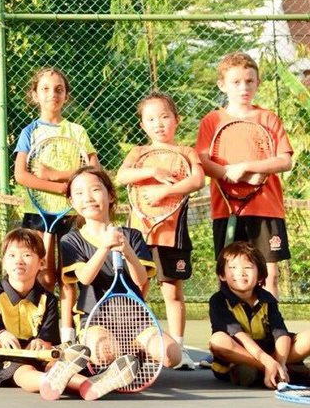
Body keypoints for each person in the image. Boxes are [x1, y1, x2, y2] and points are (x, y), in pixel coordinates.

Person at [115, 92, 205, 368]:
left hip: (172, 236)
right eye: (151, 119)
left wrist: (165, 191)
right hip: (138, 236)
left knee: (172, 293)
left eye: (165, 117)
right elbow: (121, 176)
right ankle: (133, 346)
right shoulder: (138, 153)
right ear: (143, 125)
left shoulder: (186, 153)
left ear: (177, 120)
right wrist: (152, 172)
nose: (159, 123)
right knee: (136, 291)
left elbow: (198, 180)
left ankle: (178, 349)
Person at [59, 167, 181, 370]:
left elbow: (141, 279)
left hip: (135, 318)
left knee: (172, 356)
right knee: (105, 354)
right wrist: (105, 246)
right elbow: (85, 278)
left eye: (95, 189)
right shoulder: (71, 240)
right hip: (95, 318)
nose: (88, 197)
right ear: (72, 202)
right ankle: (118, 354)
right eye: (79, 193)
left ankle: (133, 350)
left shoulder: (132, 236)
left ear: (110, 195)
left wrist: (127, 250)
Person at [195, 52, 294, 295]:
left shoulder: (268, 118)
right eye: (236, 82)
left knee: (268, 275)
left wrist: (246, 167)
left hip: (266, 208)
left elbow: (284, 161)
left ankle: (269, 319)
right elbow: (203, 161)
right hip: (226, 209)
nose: (244, 87)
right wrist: (229, 174)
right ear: (222, 85)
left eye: (250, 81)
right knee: (229, 273)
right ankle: (229, 320)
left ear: (258, 82)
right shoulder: (212, 120)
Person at [0, 228, 100, 400]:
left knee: (55, 365)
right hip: (5, 358)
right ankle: (47, 381)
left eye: (27, 255)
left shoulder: (48, 299)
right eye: (12, 255)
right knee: (24, 371)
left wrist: (41, 343)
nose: (19, 261)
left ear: (42, 263)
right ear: (3, 262)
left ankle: (92, 385)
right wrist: (2, 335)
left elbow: (48, 340)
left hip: (39, 356)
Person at [12, 67, 98, 290]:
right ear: (35, 95)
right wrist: (59, 188)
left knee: (69, 277)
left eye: (59, 89)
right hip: (38, 211)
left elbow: (94, 169)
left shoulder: (77, 131)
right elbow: (21, 175)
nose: (53, 94)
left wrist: (55, 176)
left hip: (72, 211)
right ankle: (46, 313)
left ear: (66, 96)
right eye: (46, 89)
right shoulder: (29, 132)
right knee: (43, 275)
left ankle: (70, 316)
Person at [208, 241, 310, 388]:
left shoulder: (267, 299)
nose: (241, 272)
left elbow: (281, 334)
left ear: (260, 275)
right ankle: (272, 370)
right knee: (218, 340)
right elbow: (239, 336)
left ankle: (278, 370)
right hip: (239, 358)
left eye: (248, 267)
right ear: (222, 275)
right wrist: (267, 363)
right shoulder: (218, 300)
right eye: (232, 267)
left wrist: (280, 362)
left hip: (272, 354)